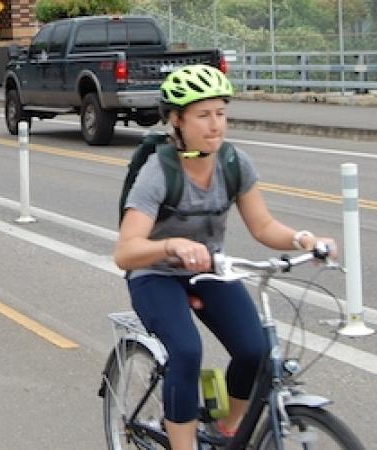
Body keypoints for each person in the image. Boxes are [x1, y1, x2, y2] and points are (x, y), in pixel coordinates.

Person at [113, 64, 338, 450]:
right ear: (177, 120)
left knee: (256, 350)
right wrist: (171, 246)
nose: (215, 124)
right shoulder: (159, 171)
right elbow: (126, 251)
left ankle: (228, 430)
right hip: (154, 273)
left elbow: (263, 226)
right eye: (203, 115)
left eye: (220, 113)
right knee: (185, 351)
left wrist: (303, 239)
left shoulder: (234, 164)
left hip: (210, 269)